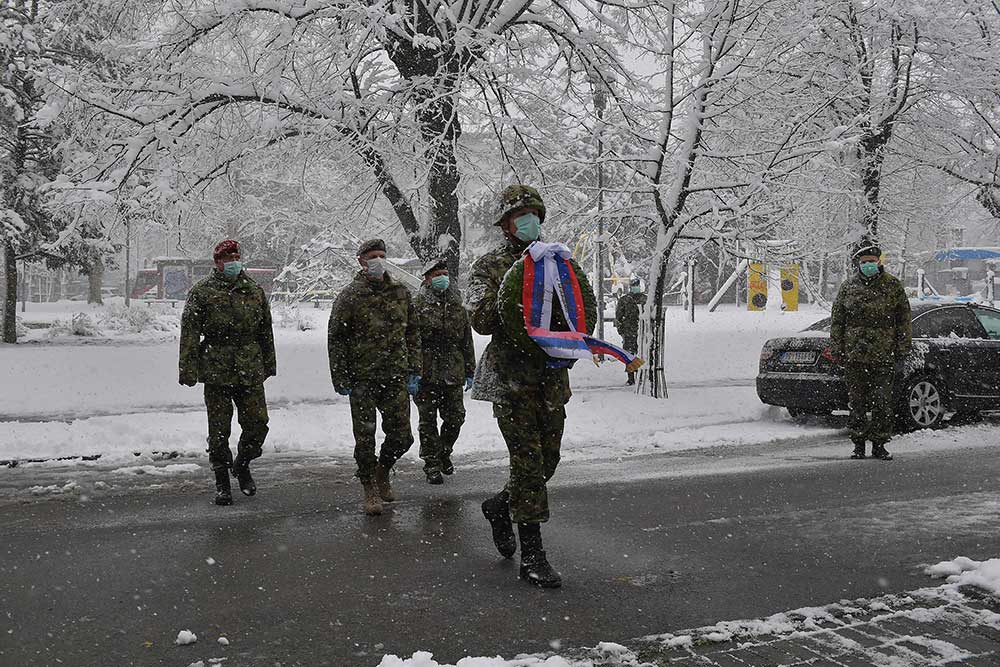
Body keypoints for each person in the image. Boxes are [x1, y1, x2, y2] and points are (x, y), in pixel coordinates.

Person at [467, 184, 597, 588]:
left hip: (551, 378)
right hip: (511, 381)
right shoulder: (489, 266)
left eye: (534, 215)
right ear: (506, 224)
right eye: (519, 216)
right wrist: (517, 287)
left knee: (547, 463)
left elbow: (579, 308)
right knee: (527, 464)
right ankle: (533, 556)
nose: (528, 222)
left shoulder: (558, 261)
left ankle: (499, 506)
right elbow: (481, 320)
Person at [179, 239, 276, 506]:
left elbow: (265, 330)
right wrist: (187, 368)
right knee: (219, 430)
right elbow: (189, 332)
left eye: (236, 257)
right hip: (216, 369)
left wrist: (269, 364)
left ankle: (242, 463)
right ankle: (222, 480)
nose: (233, 262)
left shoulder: (254, 290)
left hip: (250, 368)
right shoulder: (202, 292)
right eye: (227, 258)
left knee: (258, 424)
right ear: (217, 262)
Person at [328, 239, 421, 515]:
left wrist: (414, 369)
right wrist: (340, 376)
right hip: (363, 377)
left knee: (402, 436)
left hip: (395, 375)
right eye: (372, 256)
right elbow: (336, 338)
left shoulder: (400, 292)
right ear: (361, 260)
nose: (378, 260)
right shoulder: (350, 295)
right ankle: (369, 486)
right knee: (365, 438)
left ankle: (383, 470)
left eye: (382, 255)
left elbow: (413, 332)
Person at [830, 238, 912, 461]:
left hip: (883, 355)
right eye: (864, 262)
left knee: (882, 403)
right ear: (859, 264)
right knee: (857, 403)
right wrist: (837, 347)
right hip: (855, 355)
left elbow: (904, 319)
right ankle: (858, 444)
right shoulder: (848, 287)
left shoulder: (892, 285)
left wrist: (902, 347)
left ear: (878, 262)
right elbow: (837, 320)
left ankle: (879, 444)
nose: (868, 265)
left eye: (871, 261)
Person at [412, 257, 476, 485]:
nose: (442, 278)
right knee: (428, 421)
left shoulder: (457, 303)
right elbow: (411, 340)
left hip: (453, 370)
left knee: (456, 417)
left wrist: (470, 370)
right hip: (426, 372)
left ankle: (444, 452)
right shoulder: (417, 305)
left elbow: (466, 339)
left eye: (445, 274)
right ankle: (431, 464)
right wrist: (413, 371)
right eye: (437, 274)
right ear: (427, 279)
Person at [614, 277, 646, 385]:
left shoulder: (644, 299)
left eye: (637, 285)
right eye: (634, 286)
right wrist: (621, 331)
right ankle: (631, 377)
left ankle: (640, 376)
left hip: (640, 332)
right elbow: (618, 317)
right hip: (629, 333)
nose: (635, 288)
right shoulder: (625, 300)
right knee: (630, 355)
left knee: (640, 354)